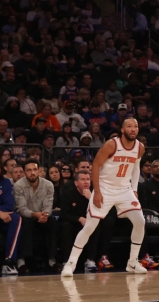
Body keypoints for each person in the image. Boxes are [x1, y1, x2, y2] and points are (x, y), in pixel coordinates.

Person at [61, 118, 148, 277]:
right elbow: (95, 165)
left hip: (124, 189)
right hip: (105, 188)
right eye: (129, 126)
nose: (133, 129)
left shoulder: (140, 147)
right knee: (90, 226)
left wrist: (134, 189)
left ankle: (133, 262)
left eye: (135, 126)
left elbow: (136, 168)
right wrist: (98, 192)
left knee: (140, 221)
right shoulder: (111, 144)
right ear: (122, 130)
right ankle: (70, 263)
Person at [14, 159, 56, 273]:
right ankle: (22, 261)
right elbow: (21, 209)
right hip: (27, 216)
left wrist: (44, 215)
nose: (32, 173)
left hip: (42, 216)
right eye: (29, 170)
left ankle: (52, 260)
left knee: (52, 222)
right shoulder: (18, 186)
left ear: (39, 170)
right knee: (25, 222)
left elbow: (48, 206)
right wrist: (35, 214)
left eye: (35, 169)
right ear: (24, 172)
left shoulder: (48, 185)